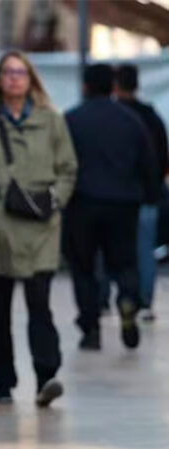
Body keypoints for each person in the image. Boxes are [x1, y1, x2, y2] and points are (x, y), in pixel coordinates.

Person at [0, 51, 78, 406]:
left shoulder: (51, 120)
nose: (14, 79)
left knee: (40, 305)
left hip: (41, 226)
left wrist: (55, 200)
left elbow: (68, 169)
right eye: (8, 72)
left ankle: (46, 376)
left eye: (21, 72)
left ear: (31, 79)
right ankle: (3, 381)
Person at [64, 64, 159, 351]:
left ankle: (91, 327)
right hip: (123, 204)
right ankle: (129, 298)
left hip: (82, 203)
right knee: (125, 262)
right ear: (113, 86)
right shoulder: (132, 121)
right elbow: (149, 163)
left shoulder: (72, 120)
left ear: (85, 87)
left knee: (84, 267)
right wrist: (148, 196)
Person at [113, 64, 169, 321]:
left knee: (108, 248)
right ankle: (145, 302)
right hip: (146, 196)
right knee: (144, 250)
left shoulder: (115, 115)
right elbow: (163, 157)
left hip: (115, 197)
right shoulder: (150, 116)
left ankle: (110, 299)